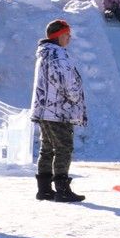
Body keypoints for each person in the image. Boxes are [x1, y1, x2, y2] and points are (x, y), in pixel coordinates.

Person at [29, 19, 87, 203]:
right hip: (59, 110)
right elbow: (67, 83)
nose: (69, 38)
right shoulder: (59, 55)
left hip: (44, 109)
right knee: (64, 147)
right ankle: (62, 189)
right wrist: (76, 97)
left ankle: (44, 189)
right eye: (67, 35)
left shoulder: (44, 54)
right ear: (59, 35)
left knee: (47, 148)